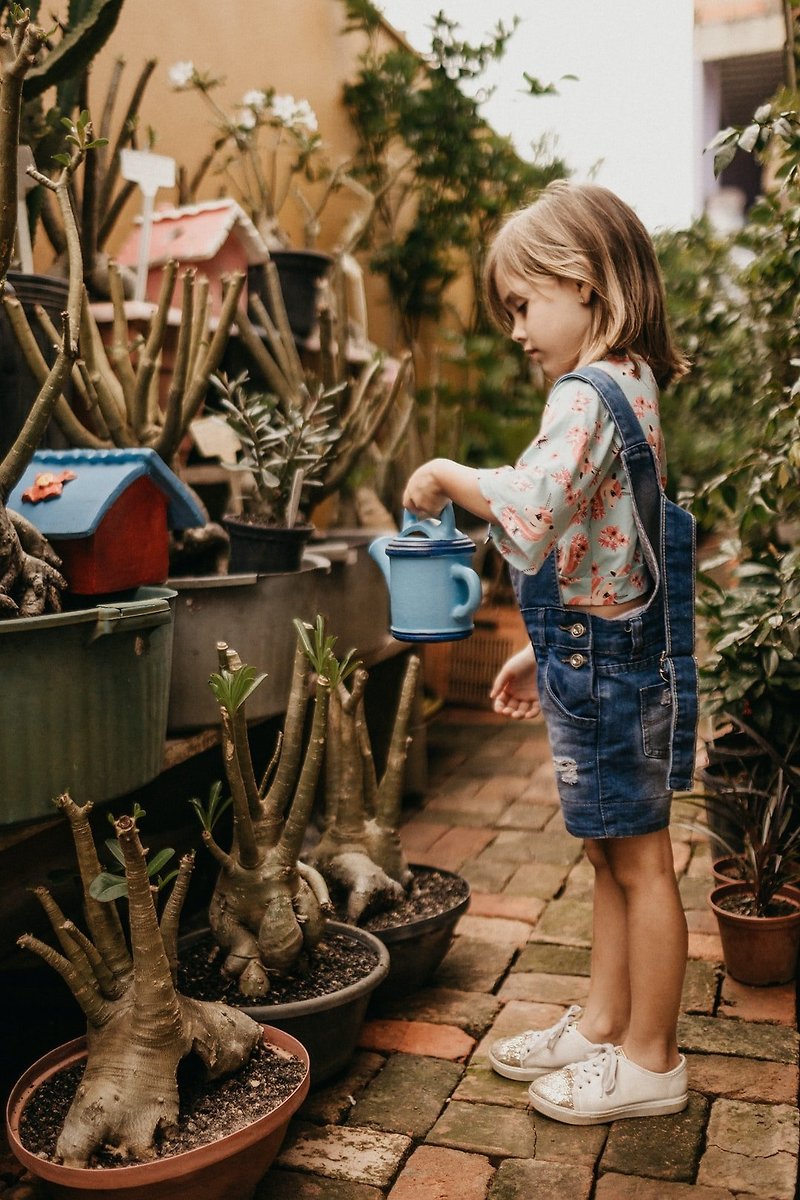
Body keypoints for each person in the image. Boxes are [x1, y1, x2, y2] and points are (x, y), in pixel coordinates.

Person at [402, 180, 698, 1125]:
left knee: (639, 860)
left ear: (583, 283)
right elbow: (608, 538)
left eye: (523, 306)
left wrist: (448, 474)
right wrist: (545, 650)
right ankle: (608, 1021)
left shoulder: (587, 392)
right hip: (604, 646)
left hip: (608, 662)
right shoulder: (628, 386)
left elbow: (530, 505)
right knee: (612, 855)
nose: (517, 331)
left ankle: (651, 1056)